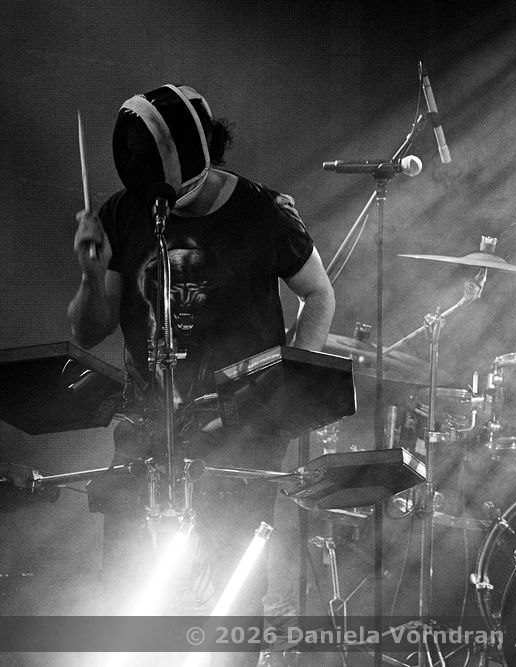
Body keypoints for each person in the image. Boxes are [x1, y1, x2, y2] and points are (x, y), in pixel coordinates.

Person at [68, 84, 335, 661]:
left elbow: (319, 294)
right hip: (147, 433)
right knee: (129, 595)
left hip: (240, 434)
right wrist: (91, 275)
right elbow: (88, 332)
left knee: (231, 606)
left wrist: (285, 392)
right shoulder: (124, 211)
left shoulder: (263, 210)